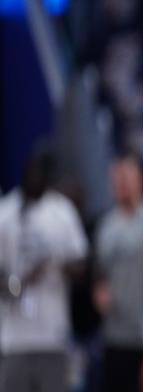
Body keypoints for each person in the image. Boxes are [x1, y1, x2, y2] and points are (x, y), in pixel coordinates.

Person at [0, 148, 87, 392]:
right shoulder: (6, 212)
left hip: (53, 335)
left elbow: (81, 264)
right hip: (14, 338)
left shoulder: (61, 211)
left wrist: (55, 262)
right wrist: (17, 282)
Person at [94, 153, 143, 392]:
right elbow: (100, 276)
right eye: (117, 178)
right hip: (114, 335)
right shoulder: (105, 226)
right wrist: (100, 294)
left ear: (140, 180)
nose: (122, 183)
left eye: (127, 177)